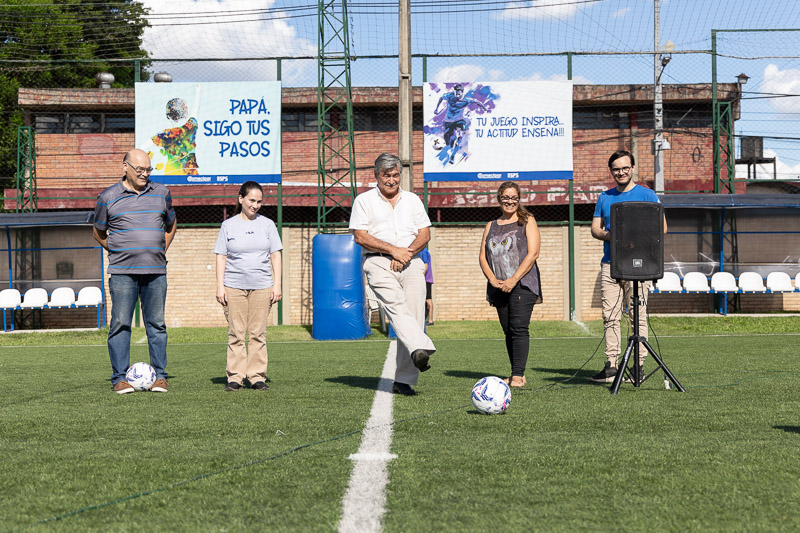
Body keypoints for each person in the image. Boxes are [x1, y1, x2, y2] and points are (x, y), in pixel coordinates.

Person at [349, 153, 437, 396]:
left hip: (411, 260)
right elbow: (360, 236)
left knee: (415, 317)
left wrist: (405, 254)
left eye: (395, 175)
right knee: (396, 307)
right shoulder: (364, 201)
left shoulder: (413, 200)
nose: (391, 180)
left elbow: (424, 233)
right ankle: (422, 347)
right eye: (386, 175)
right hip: (377, 262)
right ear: (376, 176)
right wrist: (392, 251)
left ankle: (404, 380)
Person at [93, 148, 177, 394]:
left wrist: (162, 249)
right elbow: (98, 232)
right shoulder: (107, 197)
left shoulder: (162, 193)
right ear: (125, 167)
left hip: (156, 272)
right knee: (120, 324)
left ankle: (160, 376)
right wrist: (118, 250)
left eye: (149, 170)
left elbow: (171, 224)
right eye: (140, 169)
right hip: (122, 273)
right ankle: (119, 378)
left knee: (157, 324)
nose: (145, 174)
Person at [589, 149, 667, 384]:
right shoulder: (604, 197)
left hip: (640, 266)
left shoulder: (648, 195)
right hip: (611, 265)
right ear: (611, 171)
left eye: (625, 168)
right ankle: (612, 366)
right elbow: (595, 229)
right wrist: (615, 237)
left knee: (637, 316)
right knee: (610, 315)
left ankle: (637, 366)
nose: (620, 172)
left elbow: (661, 228)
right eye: (616, 169)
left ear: (632, 168)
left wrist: (634, 238)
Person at [214, 181, 283, 392]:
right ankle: (235, 377)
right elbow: (221, 257)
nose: (255, 205)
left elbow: (275, 255)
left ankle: (256, 377)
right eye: (252, 200)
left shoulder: (268, 225)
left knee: (257, 334)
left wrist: (277, 285)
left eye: (259, 201)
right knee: (236, 333)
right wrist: (220, 287)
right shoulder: (228, 225)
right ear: (241, 199)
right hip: (234, 287)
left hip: (262, 287)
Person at [479, 182, 542, 388]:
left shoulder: (527, 220)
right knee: (508, 329)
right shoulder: (491, 225)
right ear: (499, 199)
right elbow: (482, 256)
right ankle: (517, 372)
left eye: (514, 198)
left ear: (519, 199)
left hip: (522, 283)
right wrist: (491, 278)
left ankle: (517, 376)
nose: (510, 201)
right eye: (506, 198)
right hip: (498, 286)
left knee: (519, 327)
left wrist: (513, 279)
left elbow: (533, 253)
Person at [433, 83, 488, 164]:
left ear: (462, 92)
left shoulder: (467, 100)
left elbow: (476, 101)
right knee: (448, 140)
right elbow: (441, 98)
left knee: (460, 136)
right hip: (448, 121)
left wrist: (484, 108)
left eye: (459, 94)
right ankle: (452, 142)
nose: (457, 96)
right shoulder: (449, 96)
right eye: (456, 94)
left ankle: (453, 156)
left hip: (459, 121)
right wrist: (436, 109)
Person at [419, 247, 434, 326]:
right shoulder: (423, 251)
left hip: (426, 279)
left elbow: (425, 265)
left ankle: (430, 320)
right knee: (426, 299)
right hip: (425, 279)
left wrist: (421, 277)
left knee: (428, 300)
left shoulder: (423, 251)